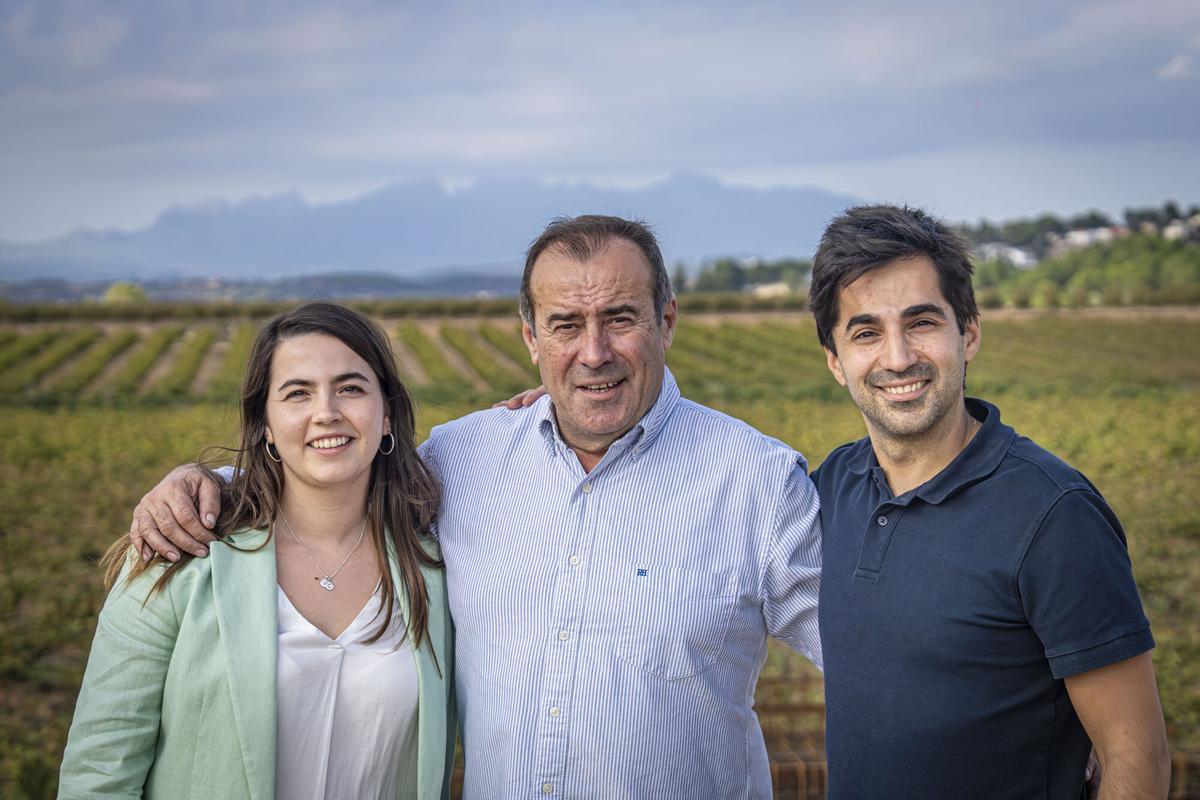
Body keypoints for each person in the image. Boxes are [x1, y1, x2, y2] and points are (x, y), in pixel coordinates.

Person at [126, 215, 823, 798]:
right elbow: (336, 474)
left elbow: (866, 656)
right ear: (530, 337)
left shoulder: (758, 482)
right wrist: (211, 483)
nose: (593, 352)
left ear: (666, 320)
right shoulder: (464, 458)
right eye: (565, 324)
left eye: (619, 319)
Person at [808, 205, 1170, 799]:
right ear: (835, 361)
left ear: (968, 333)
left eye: (922, 322)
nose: (897, 357)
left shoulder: (1054, 514)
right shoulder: (831, 488)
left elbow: (1137, 758)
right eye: (866, 333)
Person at [59, 302, 455, 799]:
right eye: (297, 393)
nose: (326, 412)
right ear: (266, 423)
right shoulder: (178, 554)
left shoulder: (437, 567)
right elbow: (100, 772)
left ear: (388, 412)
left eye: (351, 388)